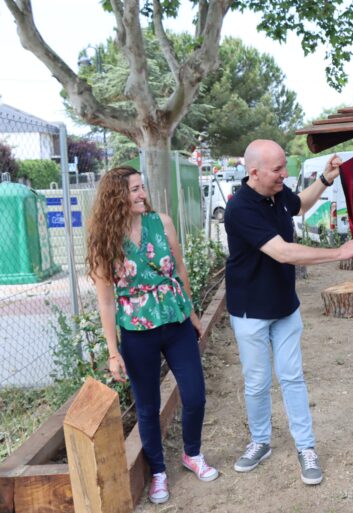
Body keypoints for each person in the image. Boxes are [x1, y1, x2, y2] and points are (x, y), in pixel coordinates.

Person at [224, 140, 353, 485]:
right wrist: (337, 254)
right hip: (251, 312)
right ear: (253, 171)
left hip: (284, 305)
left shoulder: (277, 193)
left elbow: (299, 206)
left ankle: (306, 447)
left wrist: (325, 179)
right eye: (277, 170)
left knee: (292, 377)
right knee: (257, 382)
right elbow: (285, 253)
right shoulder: (240, 209)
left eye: (284, 167)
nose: (284, 175)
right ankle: (260, 442)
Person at [87, 166, 218, 505]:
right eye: (134, 190)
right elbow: (105, 301)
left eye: (142, 187)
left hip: (175, 321)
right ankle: (158, 471)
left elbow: (180, 267)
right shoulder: (105, 239)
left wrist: (191, 311)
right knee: (147, 407)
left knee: (195, 394)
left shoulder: (162, 223)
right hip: (137, 333)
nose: (141, 194)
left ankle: (192, 453)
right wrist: (113, 352)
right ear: (117, 197)